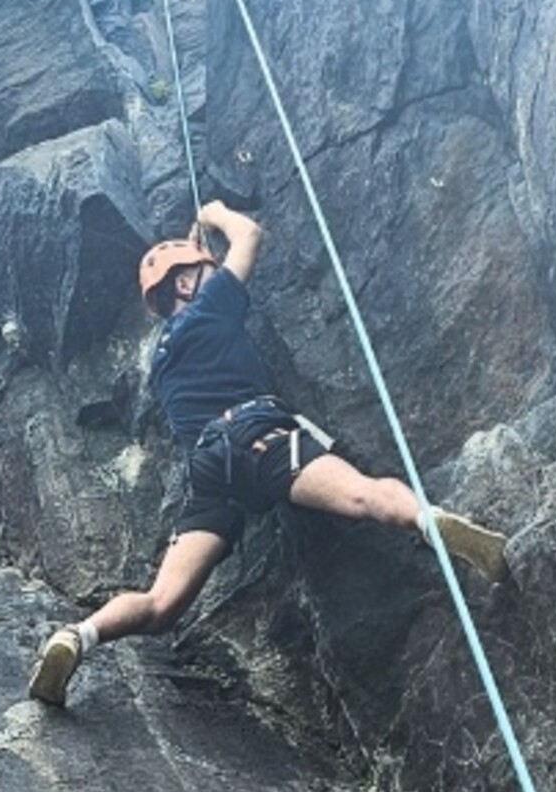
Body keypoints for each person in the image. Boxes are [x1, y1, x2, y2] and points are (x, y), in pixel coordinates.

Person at [28, 199, 507, 706]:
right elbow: (250, 235)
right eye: (203, 272)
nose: (214, 276)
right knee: (364, 496)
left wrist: (199, 254)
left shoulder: (164, 358)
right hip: (254, 434)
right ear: (186, 285)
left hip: (209, 472)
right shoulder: (209, 307)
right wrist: (213, 213)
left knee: (161, 604)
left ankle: (76, 637)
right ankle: (430, 521)